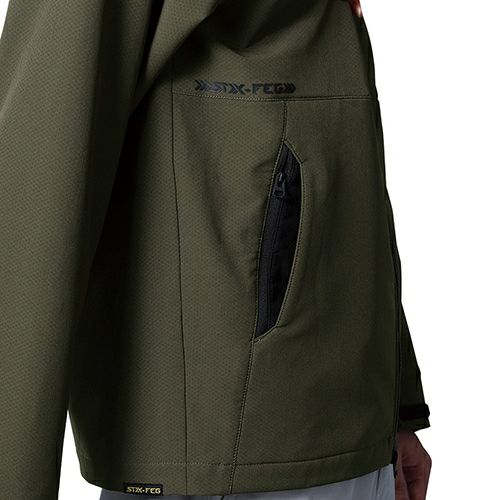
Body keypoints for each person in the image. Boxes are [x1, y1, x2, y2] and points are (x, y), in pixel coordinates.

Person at [0, 0, 431, 499]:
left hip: (350, 438)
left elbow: (321, 144)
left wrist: (393, 406)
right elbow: (36, 186)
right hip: (224, 447)